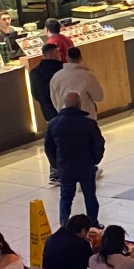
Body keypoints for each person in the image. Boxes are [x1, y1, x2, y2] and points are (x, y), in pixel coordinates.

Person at [45, 91, 105, 225]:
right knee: (90, 197)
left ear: (65, 104)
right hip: (86, 166)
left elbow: (49, 147)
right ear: (79, 104)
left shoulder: (54, 124)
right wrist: (95, 160)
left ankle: (64, 224)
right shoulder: (89, 123)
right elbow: (98, 144)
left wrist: (56, 164)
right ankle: (93, 224)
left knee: (66, 197)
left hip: (65, 167)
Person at [28, 44, 65, 181]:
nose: (60, 54)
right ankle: (70, 170)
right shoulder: (60, 70)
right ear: (53, 53)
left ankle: (55, 171)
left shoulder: (34, 72)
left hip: (48, 112)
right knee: (67, 140)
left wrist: (45, 104)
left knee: (53, 141)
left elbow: (35, 94)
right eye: (58, 52)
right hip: (62, 109)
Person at [49, 46, 105, 121]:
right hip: (86, 117)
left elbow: (54, 100)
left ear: (67, 58)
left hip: (64, 118)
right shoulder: (87, 75)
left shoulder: (56, 77)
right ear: (80, 58)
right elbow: (99, 97)